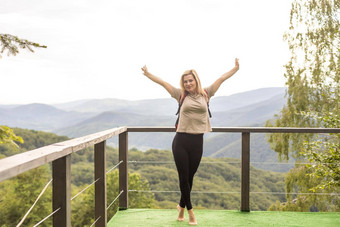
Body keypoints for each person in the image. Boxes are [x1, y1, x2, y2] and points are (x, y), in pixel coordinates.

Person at [141, 59, 239, 225]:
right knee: (183, 177)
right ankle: (190, 212)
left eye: (190, 80)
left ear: (196, 80)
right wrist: (148, 74)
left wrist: (235, 68)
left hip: (197, 142)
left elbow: (222, 78)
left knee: (190, 177)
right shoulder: (180, 94)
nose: (188, 84)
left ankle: (180, 206)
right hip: (180, 141)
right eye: (185, 81)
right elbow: (163, 83)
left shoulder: (206, 93)